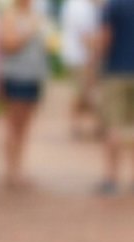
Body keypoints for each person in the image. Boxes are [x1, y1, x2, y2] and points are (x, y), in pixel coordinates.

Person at [0, 0, 51, 189]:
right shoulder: (10, 16)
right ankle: (11, 171)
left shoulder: (35, 16)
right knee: (14, 126)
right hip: (16, 76)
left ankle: (18, 168)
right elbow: (7, 44)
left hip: (33, 76)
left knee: (24, 127)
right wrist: (30, 31)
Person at [97, 0, 134, 194]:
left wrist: (95, 65)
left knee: (113, 126)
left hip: (116, 72)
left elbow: (105, 37)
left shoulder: (114, 5)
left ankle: (111, 178)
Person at [60, 0, 102, 138]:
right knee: (83, 92)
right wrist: (93, 56)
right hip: (82, 57)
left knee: (80, 92)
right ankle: (81, 126)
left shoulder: (73, 5)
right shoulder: (81, 7)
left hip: (75, 56)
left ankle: (78, 126)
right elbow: (86, 35)